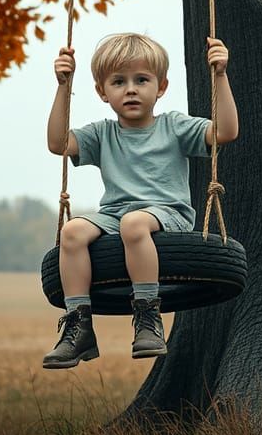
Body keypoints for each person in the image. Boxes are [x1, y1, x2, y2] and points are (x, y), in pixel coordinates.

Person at [42, 32, 239, 369]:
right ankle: (79, 326)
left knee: (134, 224)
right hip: (115, 215)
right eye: (118, 81)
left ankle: (148, 316)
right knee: (73, 231)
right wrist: (63, 86)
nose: (130, 89)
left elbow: (225, 132)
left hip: (168, 214)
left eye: (141, 80)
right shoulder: (103, 133)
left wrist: (220, 75)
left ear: (160, 87)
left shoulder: (174, 126)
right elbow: (59, 143)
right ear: (102, 92)